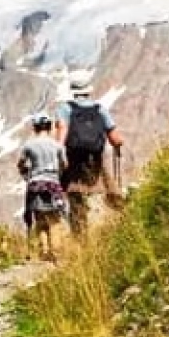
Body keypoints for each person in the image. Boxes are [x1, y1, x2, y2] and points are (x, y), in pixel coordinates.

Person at [55, 79, 126, 235]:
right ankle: (106, 228)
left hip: (74, 164)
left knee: (76, 198)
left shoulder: (65, 109)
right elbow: (115, 139)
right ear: (88, 91)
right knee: (102, 194)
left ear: (73, 92)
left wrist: (59, 150)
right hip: (96, 164)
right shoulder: (100, 109)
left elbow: (62, 130)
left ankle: (80, 237)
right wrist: (118, 144)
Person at [16, 113, 67, 259]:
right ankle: (56, 252)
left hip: (35, 184)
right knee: (54, 219)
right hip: (52, 183)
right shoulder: (57, 146)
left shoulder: (29, 145)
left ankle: (44, 251)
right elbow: (64, 164)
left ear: (35, 128)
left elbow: (21, 164)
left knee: (39, 218)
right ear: (50, 127)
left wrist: (26, 174)